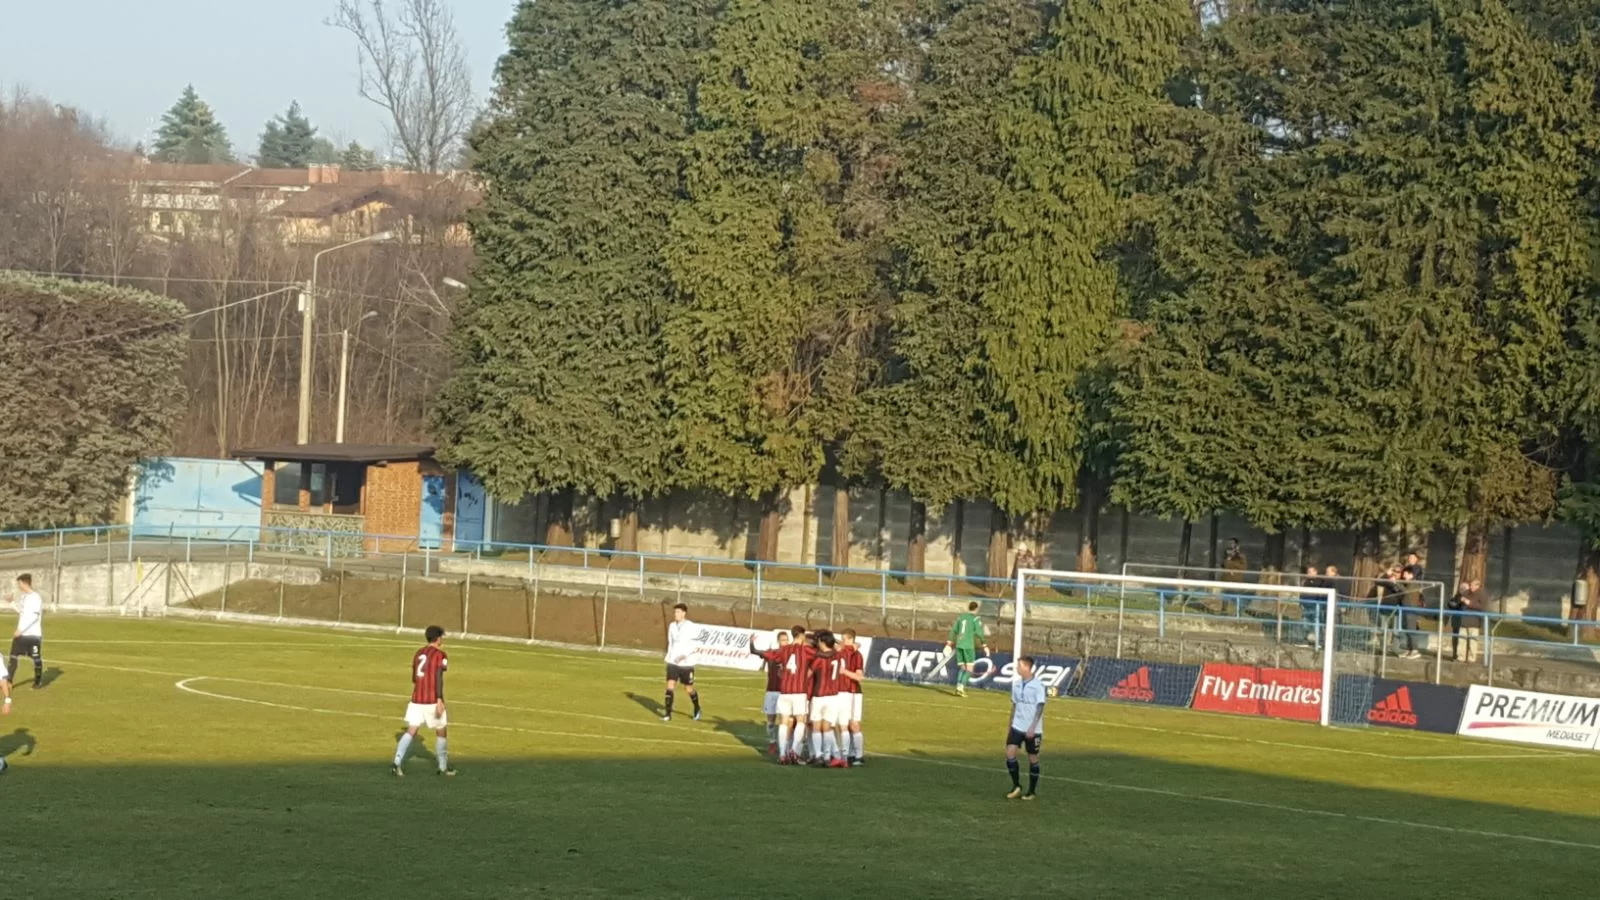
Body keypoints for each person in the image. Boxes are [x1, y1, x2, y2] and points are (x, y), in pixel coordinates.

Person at [393, 625, 454, 777]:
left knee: (411, 730)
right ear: (438, 638)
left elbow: (414, 678)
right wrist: (439, 698)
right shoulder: (441, 655)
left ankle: (397, 762)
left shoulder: (418, 653)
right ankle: (442, 767)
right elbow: (439, 676)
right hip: (432, 700)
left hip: (416, 699)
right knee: (441, 730)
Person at [751, 625, 812, 765]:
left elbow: (759, 652)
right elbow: (823, 654)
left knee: (784, 722)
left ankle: (783, 754)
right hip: (799, 692)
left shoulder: (783, 650)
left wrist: (752, 644)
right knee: (801, 720)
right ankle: (794, 752)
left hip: (784, 692)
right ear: (801, 635)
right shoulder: (806, 650)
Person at [1004, 656, 1047, 801]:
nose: (1016, 668)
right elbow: (1014, 705)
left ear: (1026, 668)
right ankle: (1016, 786)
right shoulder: (1016, 685)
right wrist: (1010, 725)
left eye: (1019, 666)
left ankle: (1032, 791)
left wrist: (1033, 727)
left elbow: (1040, 706)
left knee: (1032, 758)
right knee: (1010, 754)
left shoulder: (1038, 686)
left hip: (1032, 730)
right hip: (1017, 726)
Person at [662, 602, 703, 722]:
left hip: (686, 663)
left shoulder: (691, 626)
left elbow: (696, 644)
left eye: (678, 612)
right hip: (673, 662)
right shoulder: (672, 626)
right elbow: (670, 642)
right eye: (675, 612)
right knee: (670, 686)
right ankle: (668, 714)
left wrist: (684, 655)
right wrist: (669, 657)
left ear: (684, 613)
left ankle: (697, 707)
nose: (676, 614)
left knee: (688, 688)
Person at [755, 630, 792, 755]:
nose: (785, 642)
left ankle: (786, 745)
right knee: (771, 721)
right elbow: (756, 652)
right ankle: (772, 742)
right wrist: (751, 643)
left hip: (785, 692)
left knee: (785, 720)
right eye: (783, 640)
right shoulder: (772, 654)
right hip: (771, 691)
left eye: (787, 640)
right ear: (778, 641)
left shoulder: (792, 654)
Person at [946, 601, 991, 696]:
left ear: (969, 607)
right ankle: (961, 687)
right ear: (976, 609)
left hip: (959, 645)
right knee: (969, 668)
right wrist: (984, 645)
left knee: (963, 667)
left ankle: (958, 687)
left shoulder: (961, 617)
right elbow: (979, 632)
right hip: (968, 646)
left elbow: (953, 630)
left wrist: (949, 643)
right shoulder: (975, 619)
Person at [8, 574, 43, 690]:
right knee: (13, 656)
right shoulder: (24, 597)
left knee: (36, 658)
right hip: (21, 634)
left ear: (25, 583)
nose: (18, 586)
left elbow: (33, 617)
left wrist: (20, 629)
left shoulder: (35, 598)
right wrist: (12, 603)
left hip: (33, 635)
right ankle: (9, 681)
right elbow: (22, 613)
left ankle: (37, 682)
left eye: (19, 584)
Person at [838, 629, 866, 766]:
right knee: (843, 724)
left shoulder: (857, 656)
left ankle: (859, 755)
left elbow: (859, 677)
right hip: (840, 691)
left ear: (850, 640)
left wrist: (844, 672)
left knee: (854, 724)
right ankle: (847, 754)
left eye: (844, 639)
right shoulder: (839, 652)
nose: (842, 641)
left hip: (853, 692)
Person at [1448, 578, 1487, 662]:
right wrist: (1458, 600)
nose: (1470, 587)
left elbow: (1482, 606)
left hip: (1474, 621)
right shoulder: (1466, 592)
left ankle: (1471, 658)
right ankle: (1461, 656)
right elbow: (1458, 601)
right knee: (1462, 639)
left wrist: (1470, 603)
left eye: (1472, 585)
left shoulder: (1481, 594)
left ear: (1477, 586)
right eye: (1470, 585)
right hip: (1464, 620)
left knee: (1473, 641)